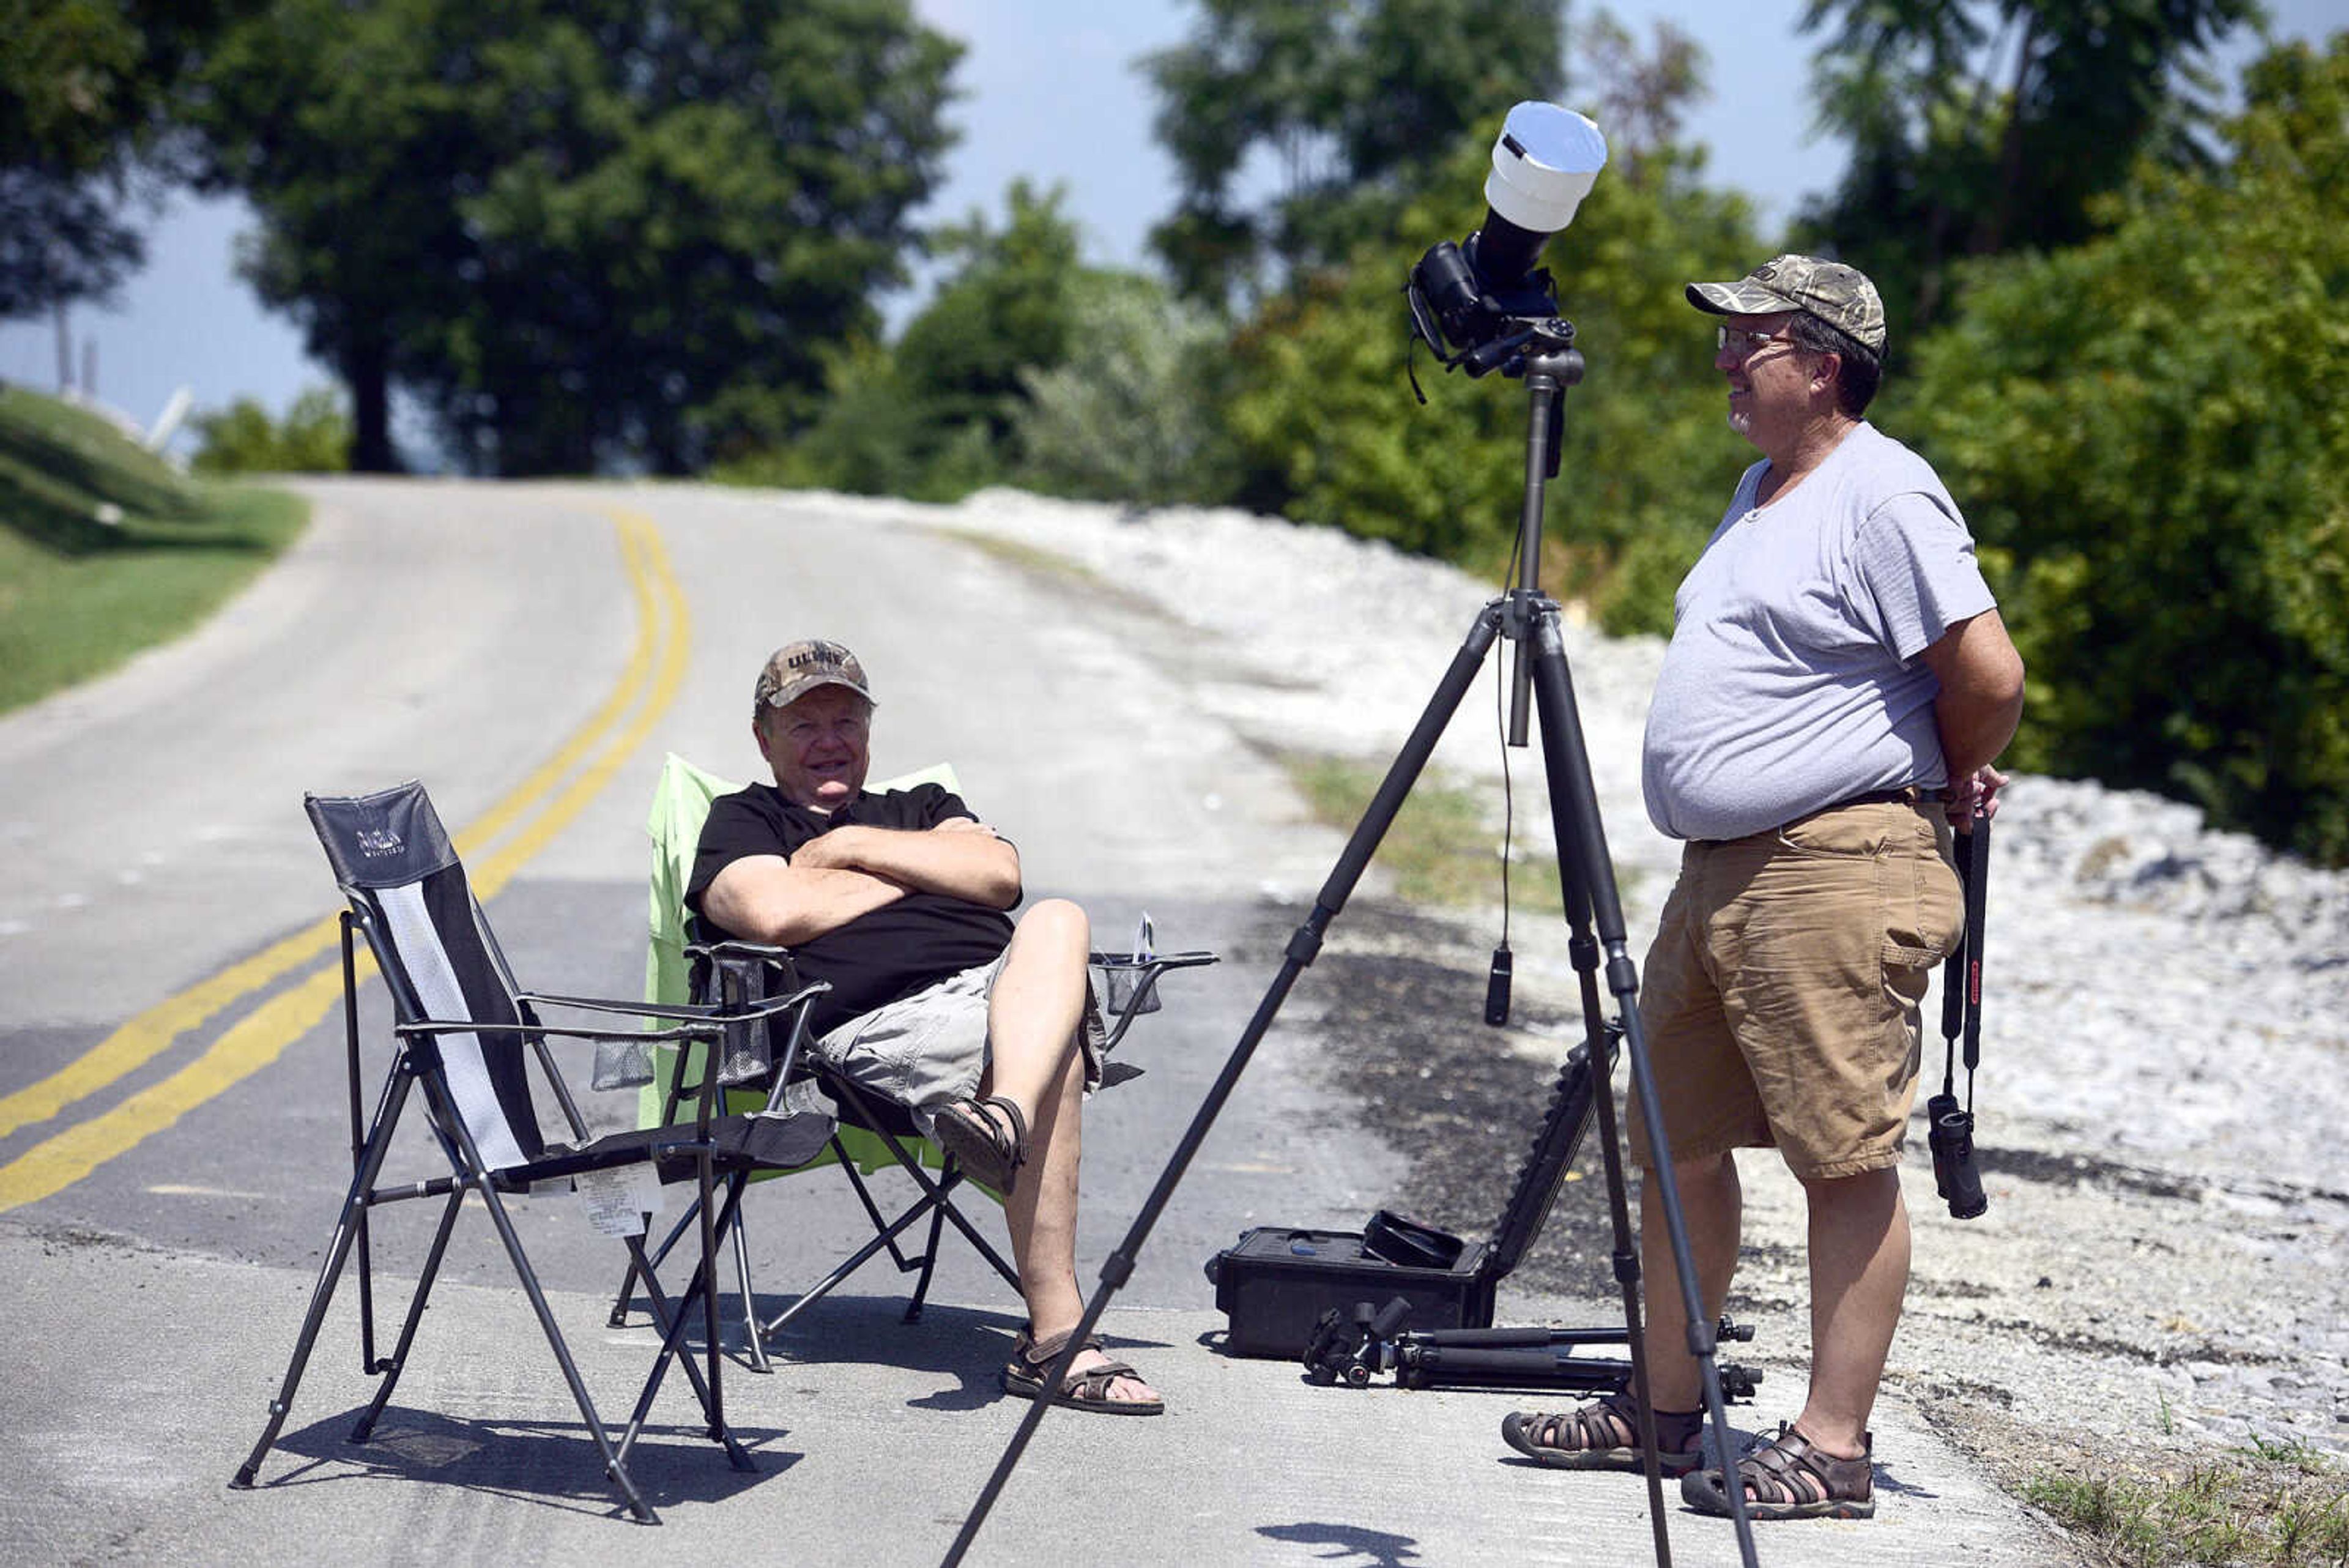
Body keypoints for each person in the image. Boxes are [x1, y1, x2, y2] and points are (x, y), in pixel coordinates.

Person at [1501, 256, 2025, 1519]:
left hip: (1836, 867)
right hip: (1724, 875)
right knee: (1674, 1140)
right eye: (1729, 339)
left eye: (1756, 340)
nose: (1728, 360)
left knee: (1842, 1156)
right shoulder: (1760, 488)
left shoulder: (1885, 491)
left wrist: (1945, 775)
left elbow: (1989, 676)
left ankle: (1832, 1449)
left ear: (1826, 359)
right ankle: (1665, 1411)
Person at [688, 638, 1162, 1414]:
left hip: (996, 989)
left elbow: (1001, 876)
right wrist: (922, 871)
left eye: (847, 719)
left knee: (1057, 916)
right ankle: (1056, 1340)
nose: (830, 740)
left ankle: (1000, 1115)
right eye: (804, 725)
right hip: (870, 1026)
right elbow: (773, 910)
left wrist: (844, 849)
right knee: (1058, 1060)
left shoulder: (924, 802)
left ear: (871, 731)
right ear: (763, 738)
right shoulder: (743, 819)